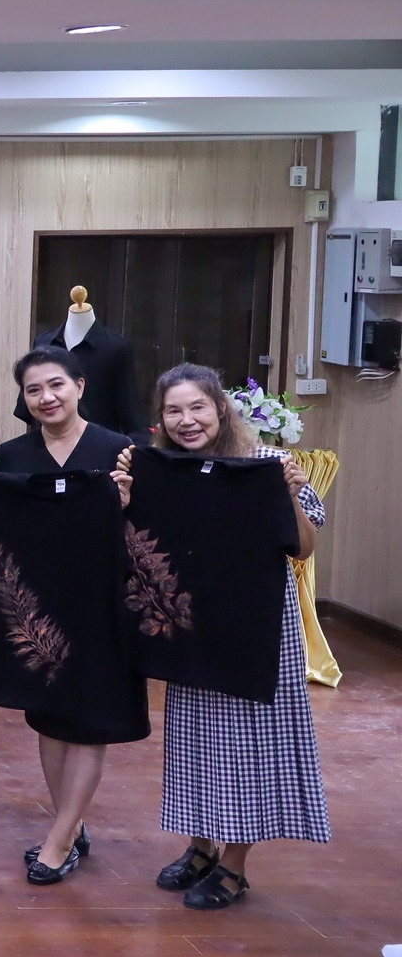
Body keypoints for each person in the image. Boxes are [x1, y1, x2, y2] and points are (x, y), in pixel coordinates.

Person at [139, 364, 327, 910]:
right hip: (193, 628)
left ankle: (235, 865)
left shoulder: (267, 463)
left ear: (221, 408)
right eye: (173, 411)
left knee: (248, 744)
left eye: (197, 406)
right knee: (195, 739)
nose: (186, 420)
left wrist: (289, 492)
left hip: (257, 628)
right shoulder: (164, 469)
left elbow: (303, 547)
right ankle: (200, 847)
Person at [0, 347, 139, 884]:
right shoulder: (12, 454)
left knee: (88, 719)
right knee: (49, 718)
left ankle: (58, 840)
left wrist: (127, 506)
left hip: (103, 604)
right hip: (38, 609)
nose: (46, 397)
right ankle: (69, 825)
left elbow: (146, 531)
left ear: (79, 386)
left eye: (55, 385)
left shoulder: (120, 450)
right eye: (33, 390)